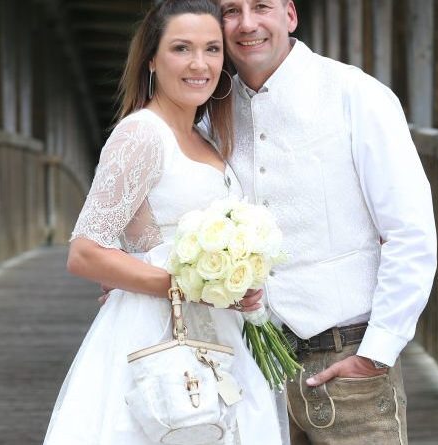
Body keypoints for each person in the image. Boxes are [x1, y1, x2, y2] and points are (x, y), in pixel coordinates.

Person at [43, 1, 283, 443]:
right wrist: (188, 285)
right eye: (181, 48)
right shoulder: (141, 135)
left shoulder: (207, 138)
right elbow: (85, 252)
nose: (200, 64)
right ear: (152, 59)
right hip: (157, 335)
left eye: (212, 49)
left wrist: (241, 283)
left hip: (222, 336)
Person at [216, 0, 438, 443]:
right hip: (252, 375)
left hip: (348, 365)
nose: (247, 23)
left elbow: (409, 232)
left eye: (261, 6)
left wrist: (376, 354)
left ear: (290, 15)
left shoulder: (356, 94)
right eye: (230, 10)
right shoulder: (211, 113)